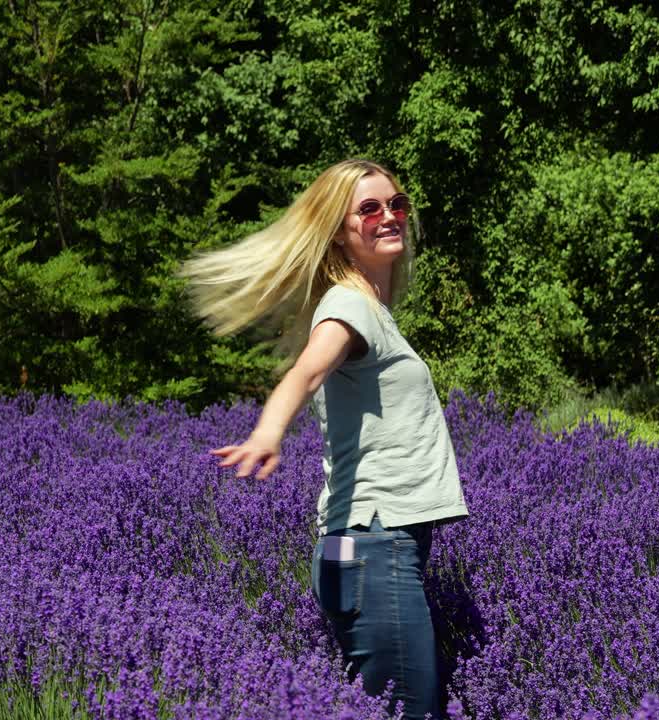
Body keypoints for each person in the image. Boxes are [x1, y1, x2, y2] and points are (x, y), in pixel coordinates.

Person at [179, 158, 469, 719]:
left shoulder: (374, 309)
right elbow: (305, 372)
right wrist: (269, 431)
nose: (389, 216)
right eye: (369, 208)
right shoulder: (348, 305)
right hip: (374, 544)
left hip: (361, 545)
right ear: (338, 230)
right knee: (412, 712)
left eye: (396, 204)